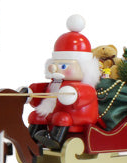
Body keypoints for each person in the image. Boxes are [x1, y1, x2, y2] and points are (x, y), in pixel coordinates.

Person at [28, 15, 101, 150]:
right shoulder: (55, 82)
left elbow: (84, 95)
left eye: (62, 66)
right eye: (54, 64)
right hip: (52, 112)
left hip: (74, 116)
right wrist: (31, 92)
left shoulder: (86, 86)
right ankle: (29, 139)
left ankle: (55, 140)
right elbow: (43, 91)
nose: (54, 68)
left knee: (62, 118)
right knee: (37, 115)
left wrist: (72, 93)